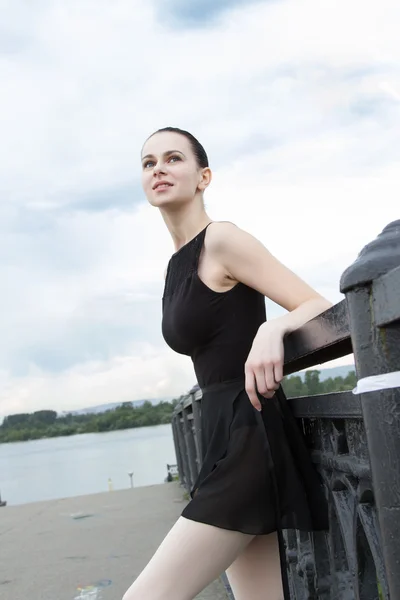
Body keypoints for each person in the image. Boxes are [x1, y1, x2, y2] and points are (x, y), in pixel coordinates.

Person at [123, 127, 331, 600]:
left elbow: (319, 307)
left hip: (249, 436)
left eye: (173, 158)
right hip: (217, 436)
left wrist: (271, 328)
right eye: (148, 162)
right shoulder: (176, 263)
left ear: (203, 177)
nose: (159, 168)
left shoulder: (222, 240)